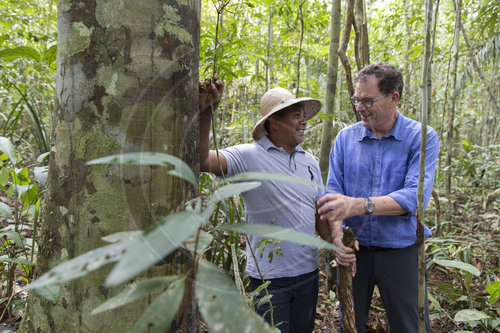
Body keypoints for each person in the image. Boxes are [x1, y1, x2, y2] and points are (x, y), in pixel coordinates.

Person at [199, 75, 329, 333]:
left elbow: (319, 212)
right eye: (296, 115)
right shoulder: (249, 155)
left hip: (308, 274)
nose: (304, 121)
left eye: (304, 115)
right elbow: (203, 160)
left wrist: (338, 248)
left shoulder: (309, 162)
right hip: (270, 279)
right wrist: (207, 112)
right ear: (275, 121)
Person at [317, 62, 438, 333]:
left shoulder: (421, 137)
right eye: (357, 99)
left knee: (411, 326)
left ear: (393, 97)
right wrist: (337, 238)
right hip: (354, 251)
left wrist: (358, 204)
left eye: (368, 100)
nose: (360, 106)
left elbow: (413, 199)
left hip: (401, 251)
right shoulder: (345, 139)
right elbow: (333, 195)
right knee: (349, 323)